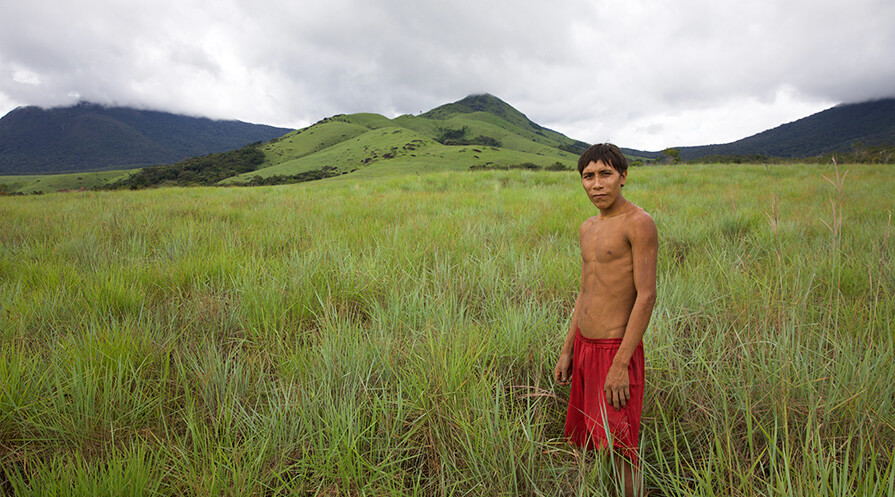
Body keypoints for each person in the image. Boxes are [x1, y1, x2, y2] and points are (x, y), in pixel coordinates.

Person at [554, 143, 658, 497]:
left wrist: (620, 365)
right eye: (588, 176)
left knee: (621, 448)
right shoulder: (587, 227)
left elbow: (646, 296)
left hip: (615, 350)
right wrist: (568, 349)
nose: (596, 184)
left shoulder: (638, 223)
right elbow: (584, 291)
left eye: (605, 175)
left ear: (623, 177)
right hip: (584, 346)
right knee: (597, 443)